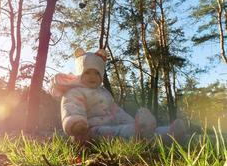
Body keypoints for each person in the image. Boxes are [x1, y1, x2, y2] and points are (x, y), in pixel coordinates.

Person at [50, 48, 185, 143]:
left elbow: (117, 112)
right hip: (88, 132)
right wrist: (76, 123)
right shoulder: (75, 92)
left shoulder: (104, 93)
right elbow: (71, 107)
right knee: (120, 132)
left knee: (130, 130)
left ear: (102, 76)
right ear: (80, 74)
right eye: (87, 72)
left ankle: (168, 133)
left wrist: (130, 120)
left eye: (97, 73)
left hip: (112, 125)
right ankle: (139, 132)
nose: (92, 76)